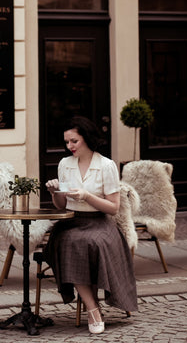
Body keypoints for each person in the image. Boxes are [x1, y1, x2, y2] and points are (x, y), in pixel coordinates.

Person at [44, 116, 138, 334]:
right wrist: (53, 192)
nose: (70, 147)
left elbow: (113, 208)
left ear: (86, 138)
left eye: (74, 141)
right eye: (67, 142)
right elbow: (61, 205)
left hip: (99, 223)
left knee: (88, 243)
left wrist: (87, 196)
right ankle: (93, 308)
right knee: (70, 242)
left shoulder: (106, 166)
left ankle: (92, 307)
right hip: (71, 222)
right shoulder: (64, 164)